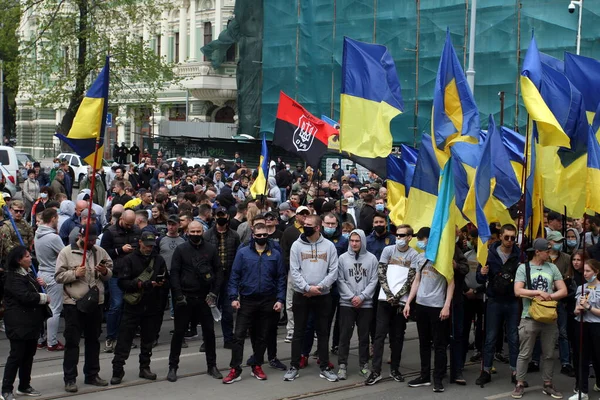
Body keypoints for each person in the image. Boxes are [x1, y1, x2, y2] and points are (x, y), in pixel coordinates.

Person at [222, 223, 286, 384]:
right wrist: (233, 297)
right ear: (253, 234)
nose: (262, 237)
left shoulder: (275, 254)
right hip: (247, 300)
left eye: (265, 235)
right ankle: (235, 369)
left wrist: (280, 299)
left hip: (268, 300)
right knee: (238, 336)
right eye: (259, 235)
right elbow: (234, 276)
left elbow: (281, 278)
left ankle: (257, 364)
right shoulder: (243, 253)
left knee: (262, 336)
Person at [55, 225, 113, 393]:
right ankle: (70, 378)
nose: (92, 243)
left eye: (94, 240)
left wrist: (104, 271)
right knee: (72, 342)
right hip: (73, 303)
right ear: (80, 236)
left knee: (93, 340)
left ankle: (92, 374)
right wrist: (74, 274)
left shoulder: (99, 251)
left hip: (95, 302)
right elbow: (58, 276)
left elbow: (110, 272)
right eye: (89, 240)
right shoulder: (66, 252)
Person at [284, 215, 339, 382]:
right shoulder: (296, 246)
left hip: (323, 296)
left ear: (317, 228)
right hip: (302, 295)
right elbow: (294, 271)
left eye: (308, 225)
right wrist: (308, 288)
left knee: (323, 332)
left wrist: (319, 288)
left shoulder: (329, 246)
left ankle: (324, 366)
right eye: (304, 224)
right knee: (298, 332)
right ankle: (294, 366)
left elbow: (333, 271)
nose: (304, 227)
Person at [511, 238, 567, 399]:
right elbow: (517, 290)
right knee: (525, 353)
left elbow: (562, 290)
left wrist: (550, 296)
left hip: (549, 316)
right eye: (547, 251)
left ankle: (548, 383)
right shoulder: (524, 268)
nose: (549, 254)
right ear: (537, 252)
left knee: (549, 353)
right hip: (529, 315)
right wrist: (537, 293)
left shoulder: (552, 268)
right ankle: (520, 382)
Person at [167, 221, 223, 383]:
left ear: (202, 232)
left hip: (205, 298)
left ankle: (212, 366)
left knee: (209, 333)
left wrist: (214, 293)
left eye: (199, 231)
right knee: (178, 333)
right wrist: (178, 295)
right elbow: (175, 273)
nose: (196, 234)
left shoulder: (211, 249)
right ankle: (173, 367)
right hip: (184, 298)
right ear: (187, 232)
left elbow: (219, 271)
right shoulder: (181, 249)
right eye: (193, 231)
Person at [111, 232, 168, 385]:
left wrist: (161, 284)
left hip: (152, 305)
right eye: (147, 245)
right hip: (133, 305)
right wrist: (141, 284)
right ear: (140, 243)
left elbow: (165, 279)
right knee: (124, 339)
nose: (149, 248)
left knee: (148, 339)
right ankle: (117, 370)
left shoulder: (158, 260)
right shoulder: (128, 260)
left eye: (152, 245)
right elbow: (122, 283)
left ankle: (145, 367)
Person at [366, 224, 419, 385]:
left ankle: (395, 369)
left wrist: (398, 296)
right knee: (379, 336)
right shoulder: (388, 250)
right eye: (397, 235)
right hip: (384, 300)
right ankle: (376, 371)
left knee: (397, 337)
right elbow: (381, 273)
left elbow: (411, 278)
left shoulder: (414, 254)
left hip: (401, 302)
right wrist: (389, 294)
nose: (399, 238)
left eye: (402, 236)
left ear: (410, 237)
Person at [404, 227, 455, 393]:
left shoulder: (444, 258)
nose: (421, 242)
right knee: (424, 342)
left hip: (437, 306)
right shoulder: (420, 258)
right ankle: (424, 375)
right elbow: (417, 281)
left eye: (423, 239)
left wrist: (447, 305)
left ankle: (438, 378)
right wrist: (409, 302)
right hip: (421, 305)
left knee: (439, 344)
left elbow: (451, 283)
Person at [475, 224, 522, 386]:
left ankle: (515, 372)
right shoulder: (489, 254)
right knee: (490, 337)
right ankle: (486, 370)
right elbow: (479, 279)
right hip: (494, 301)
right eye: (507, 237)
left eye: (513, 238)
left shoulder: (519, 255)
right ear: (500, 236)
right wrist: (482, 274)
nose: (510, 241)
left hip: (512, 301)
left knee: (514, 337)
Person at [1, 246, 50, 400]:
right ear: (18, 260)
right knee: (16, 355)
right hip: (18, 323)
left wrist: (40, 284)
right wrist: (43, 297)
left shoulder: (27, 274)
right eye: (27, 256)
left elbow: (31, 291)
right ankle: (6, 389)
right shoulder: (12, 278)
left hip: (31, 322)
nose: (30, 258)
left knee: (28, 355)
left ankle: (24, 385)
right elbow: (25, 296)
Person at [336, 229, 378, 381]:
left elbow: (374, 280)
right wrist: (352, 297)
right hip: (347, 303)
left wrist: (362, 297)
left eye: (357, 241)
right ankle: (342, 365)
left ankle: (364, 365)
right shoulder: (342, 258)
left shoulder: (372, 259)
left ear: (362, 241)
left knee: (364, 336)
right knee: (345, 335)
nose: (354, 243)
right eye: (351, 241)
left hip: (365, 304)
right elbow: (340, 280)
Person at [100, 209, 142, 353]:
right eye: (128, 224)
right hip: (116, 273)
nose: (130, 227)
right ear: (121, 219)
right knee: (116, 305)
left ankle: (125, 337)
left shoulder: (136, 230)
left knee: (129, 305)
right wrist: (120, 250)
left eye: (132, 224)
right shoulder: (110, 232)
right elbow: (104, 254)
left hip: (131, 274)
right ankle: (111, 337)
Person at [203, 206, 241, 349]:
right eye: (218, 215)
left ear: (227, 217)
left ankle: (228, 338)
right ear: (214, 217)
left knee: (228, 310)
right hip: (212, 278)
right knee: (208, 310)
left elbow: (238, 256)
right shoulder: (207, 235)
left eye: (223, 215)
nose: (221, 218)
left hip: (229, 277)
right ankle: (207, 340)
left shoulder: (234, 235)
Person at [34, 208, 65, 352]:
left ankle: (41, 339)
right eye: (57, 218)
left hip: (41, 273)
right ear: (53, 218)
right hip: (53, 275)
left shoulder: (37, 234)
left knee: (42, 308)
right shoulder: (53, 237)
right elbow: (64, 255)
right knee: (54, 309)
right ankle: (52, 342)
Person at [571, 258, 600, 400]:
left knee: (598, 358)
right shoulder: (580, 288)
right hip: (582, 324)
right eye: (585, 271)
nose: (586, 274)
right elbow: (576, 310)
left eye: (589, 271)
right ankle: (582, 391)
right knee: (581, 358)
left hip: (597, 326)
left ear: (596, 272)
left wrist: (589, 307)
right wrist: (577, 309)